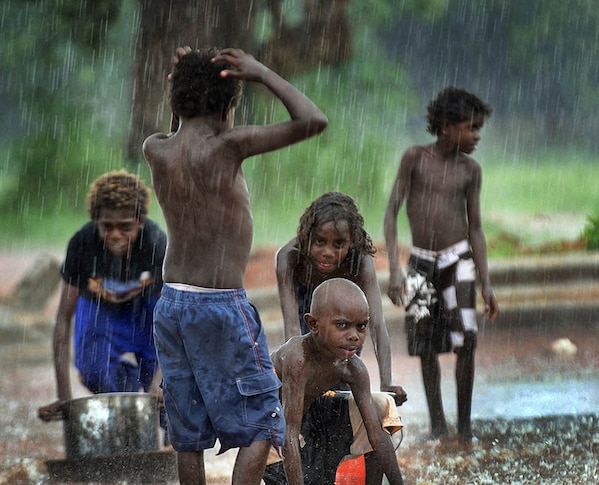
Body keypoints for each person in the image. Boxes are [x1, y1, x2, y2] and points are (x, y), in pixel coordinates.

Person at [142, 46, 327, 484]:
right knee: (264, 421)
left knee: (186, 434)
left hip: (172, 305)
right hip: (220, 307)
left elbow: (180, 132)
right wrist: (262, 72)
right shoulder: (229, 147)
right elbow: (312, 120)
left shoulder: (156, 150)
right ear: (228, 107)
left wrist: (180, 87)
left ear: (176, 103)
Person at [383, 86, 500, 442]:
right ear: (447, 126)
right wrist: (393, 268)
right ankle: (437, 425)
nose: (478, 136)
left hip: (458, 260)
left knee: (467, 340)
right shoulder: (415, 159)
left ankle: (464, 428)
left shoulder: (470, 171)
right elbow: (390, 214)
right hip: (420, 264)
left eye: (479, 128)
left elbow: (476, 228)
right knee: (425, 344)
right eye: (472, 128)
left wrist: (485, 281)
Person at [38, 170, 167, 423]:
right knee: (92, 371)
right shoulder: (82, 245)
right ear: (96, 222)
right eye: (107, 227)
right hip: (100, 310)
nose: (116, 235)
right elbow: (63, 319)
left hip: (147, 310)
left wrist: (160, 382)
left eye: (126, 227)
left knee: (165, 393)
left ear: (140, 223)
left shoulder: (155, 243)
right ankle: (125, 402)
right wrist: (65, 396)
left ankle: (163, 434)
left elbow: (173, 319)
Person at [275, 191, 407, 405]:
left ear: (351, 242)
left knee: (341, 371)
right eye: (319, 241)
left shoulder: (360, 262)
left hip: (346, 313)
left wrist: (387, 382)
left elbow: (376, 324)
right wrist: (295, 376)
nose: (328, 252)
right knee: (305, 378)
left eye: (338, 244)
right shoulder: (290, 257)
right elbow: (292, 330)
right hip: (307, 306)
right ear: (307, 236)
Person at [269, 278, 404, 485]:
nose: (354, 336)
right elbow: (289, 433)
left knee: (382, 406)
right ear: (313, 324)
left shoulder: (353, 367)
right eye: (342, 325)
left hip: (311, 424)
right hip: (274, 432)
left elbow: (375, 433)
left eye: (361, 326)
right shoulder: (299, 359)